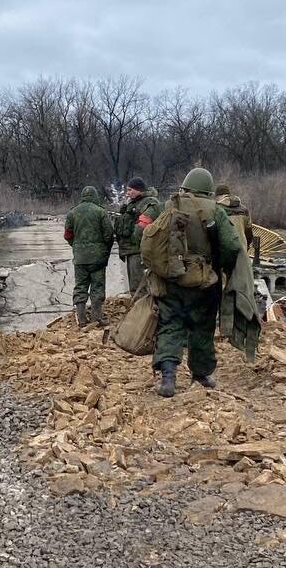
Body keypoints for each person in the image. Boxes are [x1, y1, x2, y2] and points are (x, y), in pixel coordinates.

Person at [147, 167, 243, 397]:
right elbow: (232, 246)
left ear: (186, 185)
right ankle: (200, 375)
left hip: (171, 278)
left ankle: (168, 376)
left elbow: (150, 238)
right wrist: (221, 267)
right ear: (208, 189)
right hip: (205, 282)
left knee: (170, 324)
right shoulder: (216, 211)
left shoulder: (170, 205)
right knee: (202, 327)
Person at [63, 185, 113, 325]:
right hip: (97, 257)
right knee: (97, 286)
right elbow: (109, 234)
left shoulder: (72, 213)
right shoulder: (101, 212)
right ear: (95, 196)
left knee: (80, 286)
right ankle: (97, 317)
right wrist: (104, 249)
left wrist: (76, 245)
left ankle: (81, 318)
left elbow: (67, 235)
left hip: (80, 258)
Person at [114, 177, 161, 293]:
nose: (128, 193)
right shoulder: (133, 204)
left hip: (139, 251)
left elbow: (142, 227)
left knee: (139, 287)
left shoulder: (149, 203)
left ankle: (143, 310)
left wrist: (136, 239)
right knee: (135, 287)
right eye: (127, 190)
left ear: (139, 189)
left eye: (130, 190)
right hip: (130, 250)